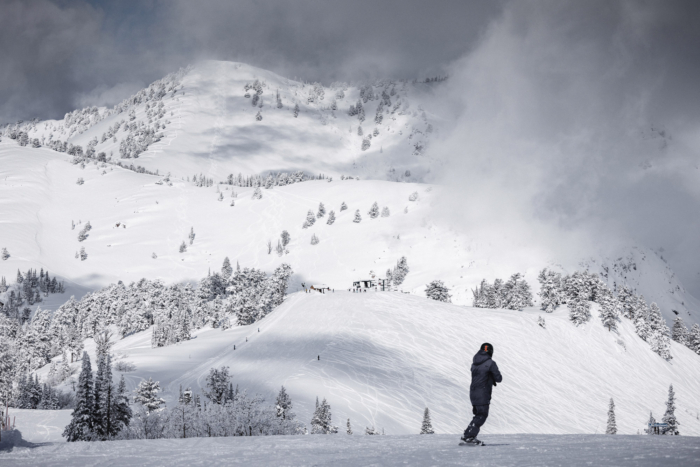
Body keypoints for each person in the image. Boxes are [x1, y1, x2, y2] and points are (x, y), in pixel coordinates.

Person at [461, 343, 502, 445]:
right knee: (482, 415)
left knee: (478, 415)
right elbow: (499, 378)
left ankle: (468, 435)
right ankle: (469, 436)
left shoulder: (474, 364)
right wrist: (491, 378)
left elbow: (480, 374)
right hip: (483, 393)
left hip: (473, 393)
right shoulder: (491, 363)